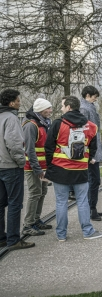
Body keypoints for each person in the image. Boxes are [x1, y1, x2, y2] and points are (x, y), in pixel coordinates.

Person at [45, 96, 102, 241]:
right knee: (83, 201)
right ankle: (87, 231)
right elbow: (93, 148)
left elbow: (49, 147)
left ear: (68, 107)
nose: (61, 108)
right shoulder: (91, 126)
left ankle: (61, 234)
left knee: (61, 202)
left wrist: (50, 167)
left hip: (60, 169)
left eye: (62, 106)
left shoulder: (58, 124)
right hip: (80, 170)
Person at [0, 89, 33, 250]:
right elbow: (14, 144)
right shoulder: (11, 119)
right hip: (11, 167)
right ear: (12, 102)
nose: (20, 102)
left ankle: (1, 237)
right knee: (15, 203)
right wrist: (21, 162)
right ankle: (14, 239)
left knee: (0, 203)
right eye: (18, 100)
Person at [22, 99, 54, 236]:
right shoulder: (31, 126)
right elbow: (29, 150)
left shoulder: (44, 123)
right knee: (35, 193)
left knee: (42, 193)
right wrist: (37, 169)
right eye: (48, 108)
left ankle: (36, 219)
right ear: (41, 110)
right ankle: (28, 224)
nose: (50, 111)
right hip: (33, 167)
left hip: (42, 167)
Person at [79, 85, 102, 221]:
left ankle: (92, 207)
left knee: (94, 180)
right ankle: (91, 209)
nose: (95, 100)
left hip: (93, 151)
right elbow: (85, 132)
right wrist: (91, 154)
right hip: (91, 153)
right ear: (87, 95)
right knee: (93, 180)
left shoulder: (88, 107)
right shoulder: (84, 108)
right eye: (94, 97)